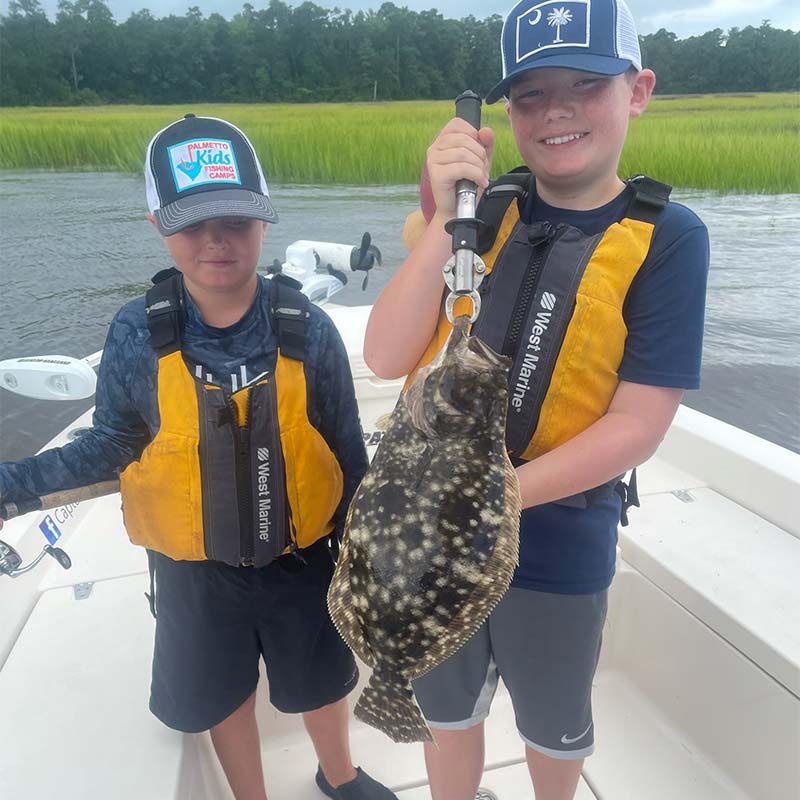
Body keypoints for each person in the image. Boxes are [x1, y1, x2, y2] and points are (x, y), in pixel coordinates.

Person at [363, 0, 709, 797]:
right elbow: (385, 354)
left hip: (559, 539)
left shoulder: (671, 238)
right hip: (426, 537)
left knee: (553, 720)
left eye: (585, 85)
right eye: (529, 95)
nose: (556, 111)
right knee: (445, 711)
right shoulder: (478, 213)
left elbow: (637, 424)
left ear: (639, 89)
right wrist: (440, 201)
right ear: (509, 112)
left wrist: (491, 496)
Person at [0, 114, 396, 800]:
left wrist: (378, 554)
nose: (217, 241)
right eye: (192, 222)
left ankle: (342, 775)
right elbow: (113, 443)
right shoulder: (136, 330)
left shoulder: (308, 327)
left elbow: (345, 451)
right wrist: (16, 484)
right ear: (158, 221)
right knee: (223, 698)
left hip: (304, 559)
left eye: (237, 221)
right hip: (193, 573)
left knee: (321, 681)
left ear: (264, 224)